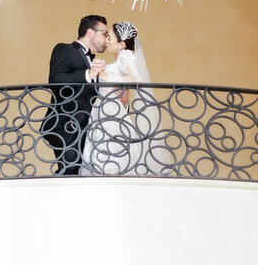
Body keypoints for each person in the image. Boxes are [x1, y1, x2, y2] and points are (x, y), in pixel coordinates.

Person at [80, 21, 172, 176]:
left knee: (111, 150)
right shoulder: (119, 59)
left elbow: (135, 77)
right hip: (103, 109)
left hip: (111, 111)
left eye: (110, 38)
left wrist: (106, 76)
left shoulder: (126, 55)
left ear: (121, 44)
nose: (106, 41)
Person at [42, 14, 109, 175]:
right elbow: (55, 80)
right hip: (65, 124)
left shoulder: (93, 62)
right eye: (104, 34)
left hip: (85, 128)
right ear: (90, 32)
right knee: (71, 171)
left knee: (78, 172)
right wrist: (88, 74)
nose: (106, 39)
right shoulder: (65, 49)